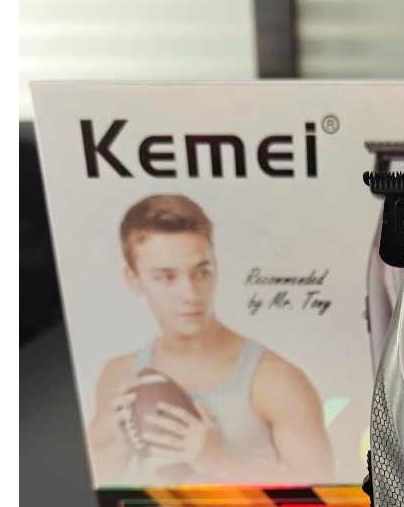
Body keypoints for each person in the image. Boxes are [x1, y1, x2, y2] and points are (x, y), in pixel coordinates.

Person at [86, 194, 335, 485]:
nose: (190, 294)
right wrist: (107, 446)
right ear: (133, 279)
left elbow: (323, 496)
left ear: (215, 267)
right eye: (166, 277)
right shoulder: (119, 376)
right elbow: (96, 490)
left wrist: (218, 463)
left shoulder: (276, 380)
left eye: (201, 272)